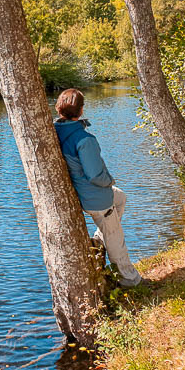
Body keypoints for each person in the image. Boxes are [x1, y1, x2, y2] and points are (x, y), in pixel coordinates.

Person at [53, 88, 143, 288]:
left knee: (120, 197)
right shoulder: (84, 139)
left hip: (86, 194)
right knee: (116, 239)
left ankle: (100, 239)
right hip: (96, 198)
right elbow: (95, 176)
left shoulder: (56, 130)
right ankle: (130, 280)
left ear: (59, 110)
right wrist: (110, 180)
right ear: (82, 110)